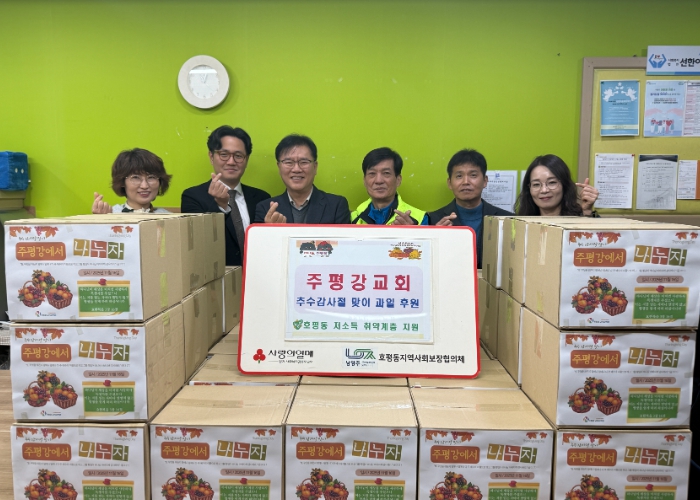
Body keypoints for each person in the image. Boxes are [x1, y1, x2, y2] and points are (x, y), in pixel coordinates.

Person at [181, 125, 270, 266]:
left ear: (246, 159)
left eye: (238, 156)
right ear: (211, 157)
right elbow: (197, 242)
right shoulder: (192, 197)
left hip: (256, 274)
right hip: (216, 275)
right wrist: (221, 207)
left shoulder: (261, 197)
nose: (231, 161)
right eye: (224, 154)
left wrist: (274, 229)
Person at [428, 149, 513, 268]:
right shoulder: (433, 220)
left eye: (473, 175)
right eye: (459, 176)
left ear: (485, 181)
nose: (466, 182)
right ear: (449, 183)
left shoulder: (508, 220)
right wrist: (435, 238)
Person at [254, 134, 351, 224]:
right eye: (288, 162)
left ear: (315, 167)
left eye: (304, 162)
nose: (296, 169)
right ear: (279, 167)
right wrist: (269, 231)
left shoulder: (336, 205)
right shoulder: (265, 208)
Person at [351, 147, 427, 225]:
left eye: (386, 173)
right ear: (364, 180)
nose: (378, 181)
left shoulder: (419, 219)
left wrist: (413, 231)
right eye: (372, 173)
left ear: (398, 180)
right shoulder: (353, 219)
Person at [92, 148, 172, 214]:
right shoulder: (110, 214)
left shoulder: (168, 218)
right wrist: (101, 221)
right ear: (122, 182)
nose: (144, 186)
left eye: (151, 177)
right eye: (135, 178)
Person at [515, 154, 598, 216]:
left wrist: (586, 212)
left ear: (564, 185)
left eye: (552, 182)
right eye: (536, 184)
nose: (544, 190)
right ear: (529, 189)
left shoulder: (581, 216)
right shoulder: (520, 223)